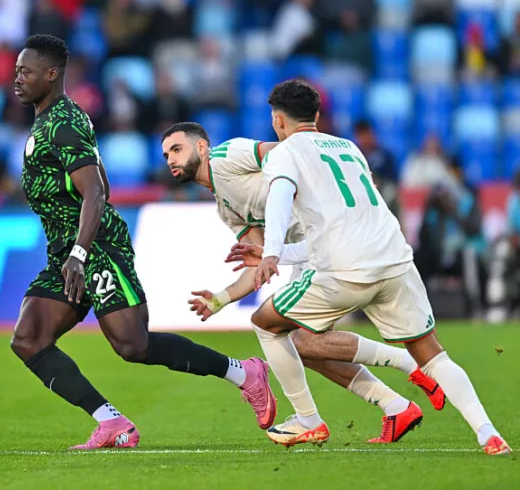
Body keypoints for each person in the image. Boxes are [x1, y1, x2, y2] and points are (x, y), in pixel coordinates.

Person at [10, 34, 275, 450]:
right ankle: (111, 422)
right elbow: (100, 177)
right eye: (16, 71)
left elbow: (97, 191)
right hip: (66, 251)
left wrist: (80, 252)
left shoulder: (64, 122)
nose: (17, 78)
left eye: (26, 71)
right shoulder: (47, 122)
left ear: (51, 74)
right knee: (28, 339)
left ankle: (245, 373)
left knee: (133, 345)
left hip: (95, 248)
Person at [242, 79, 510, 455]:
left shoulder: (284, 153)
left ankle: (307, 420)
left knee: (267, 324)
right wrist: (278, 254)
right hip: (395, 261)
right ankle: (488, 433)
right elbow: (344, 223)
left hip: (346, 271)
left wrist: (271, 252)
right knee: (433, 354)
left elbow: (281, 195)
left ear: (277, 120)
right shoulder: (349, 148)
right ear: (317, 115)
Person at [160, 123, 445, 443]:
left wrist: (353, 176)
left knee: (279, 330)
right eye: (166, 154)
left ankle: (392, 374)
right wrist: (220, 299)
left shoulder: (228, 155)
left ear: (201, 147)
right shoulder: (225, 207)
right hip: (305, 251)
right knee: (302, 345)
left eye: (177, 149)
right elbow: (259, 261)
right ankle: (395, 406)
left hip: (328, 239)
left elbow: (289, 151)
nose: (171, 159)